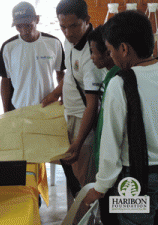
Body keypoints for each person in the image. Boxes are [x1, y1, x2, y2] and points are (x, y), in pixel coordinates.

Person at [83, 10, 158, 225]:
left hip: (133, 179)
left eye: (110, 50)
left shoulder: (121, 82)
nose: (112, 56)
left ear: (124, 49)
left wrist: (100, 187)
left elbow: (111, 143)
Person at [42, 0, 106, 199]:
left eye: (73, 26)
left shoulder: (93, 52)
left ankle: (86, 218)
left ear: (86, 20)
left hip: (84, 122)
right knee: (72, 176)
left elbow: (92, 104)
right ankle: (76, 215)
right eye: (62, 26)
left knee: (86, 180)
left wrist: (78, 142)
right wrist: (55, 93)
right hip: (69, 114)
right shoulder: (70, 42)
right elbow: (71, 73)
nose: (68, 33)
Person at [0, 1, 65, 112]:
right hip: (19, 108)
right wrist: (6, 111)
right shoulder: (8, 47)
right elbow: (5, 81)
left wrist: (63, 97)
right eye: (19, 26)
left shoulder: (54, 43)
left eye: (28, 24)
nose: (23, 30)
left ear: (37, 19)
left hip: (46, 105)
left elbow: (60, 74)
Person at [87, 25, 120, 225]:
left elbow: (113, 130)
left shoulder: (117, 77)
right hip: (108, 164)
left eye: (93, 51)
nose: (91, 57)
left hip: (114, 171)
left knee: (113, 215)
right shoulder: (110, 76)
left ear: (108, 52)